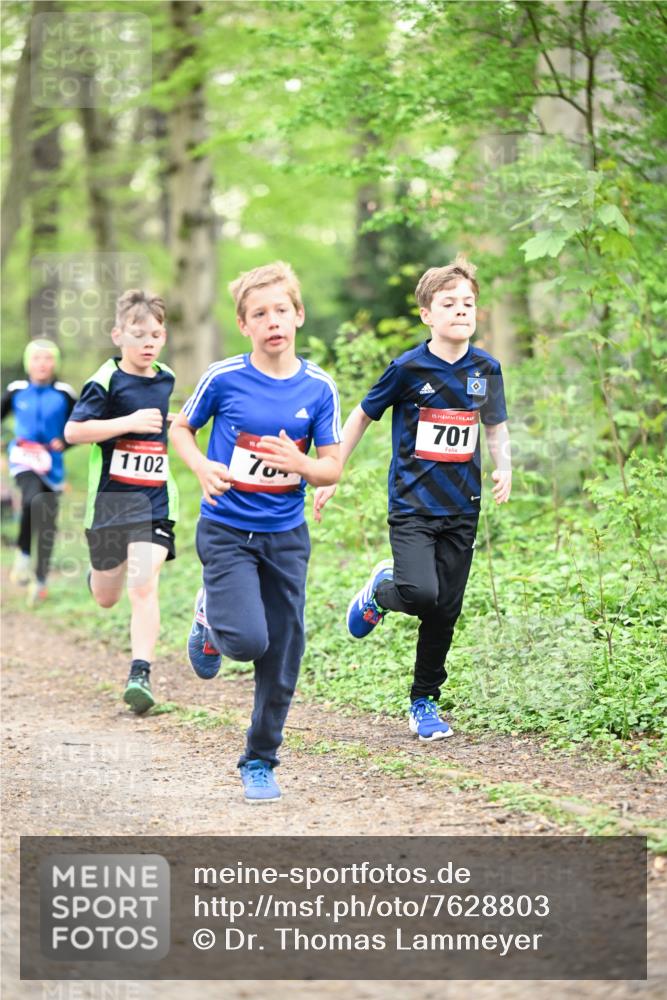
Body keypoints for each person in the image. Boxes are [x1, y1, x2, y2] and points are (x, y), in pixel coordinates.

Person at [314, 255, 512, 742]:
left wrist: (503, 466)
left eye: (468, 303)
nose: (461, 310)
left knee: (446, 609)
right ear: (427, 313)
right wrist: (332, 468)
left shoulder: (486, 368)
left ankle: (423, 701)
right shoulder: (407, 368)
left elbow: (495, 424)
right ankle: (383, 591)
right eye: (449, 303)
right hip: (412, 505)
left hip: (462, 507)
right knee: (421, 594)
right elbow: (361, 414)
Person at [169, 261, 342, 803]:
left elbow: (332, 466)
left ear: (299, 316)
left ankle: (260, 759)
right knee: (247, 640)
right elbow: (181, 429)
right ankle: (213, 619)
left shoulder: (318, 388)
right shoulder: (223, 377)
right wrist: (200, 466)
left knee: (283, 651)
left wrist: (303, 464)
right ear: (244, 324)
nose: (273, 321)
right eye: (260, 313)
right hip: (226, 529)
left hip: (285, 535)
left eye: (282, 311)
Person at [64, 290, 178, 715]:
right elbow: (74, 433)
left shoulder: (165, 377)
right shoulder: (105, 379)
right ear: (118, 335)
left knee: (143, 585)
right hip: (113, 502)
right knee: (107, 596)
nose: (148, 342)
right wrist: (128, 423)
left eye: (155, 334)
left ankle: (140, 673)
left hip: (155, 501)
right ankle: (96, 579)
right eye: (138, 334)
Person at [1, 339, 77, 605]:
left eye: (47, 358)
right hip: (23, 457)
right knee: (32, 498)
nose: (42, 364)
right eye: (36, 358)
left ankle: (41, 581)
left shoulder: (65, 393)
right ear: (27, 363)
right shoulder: (17, 390)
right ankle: (22, 555)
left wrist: (65, 442)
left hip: (52, 463)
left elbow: (82, 423)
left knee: (47, 523)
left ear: (55, 363)